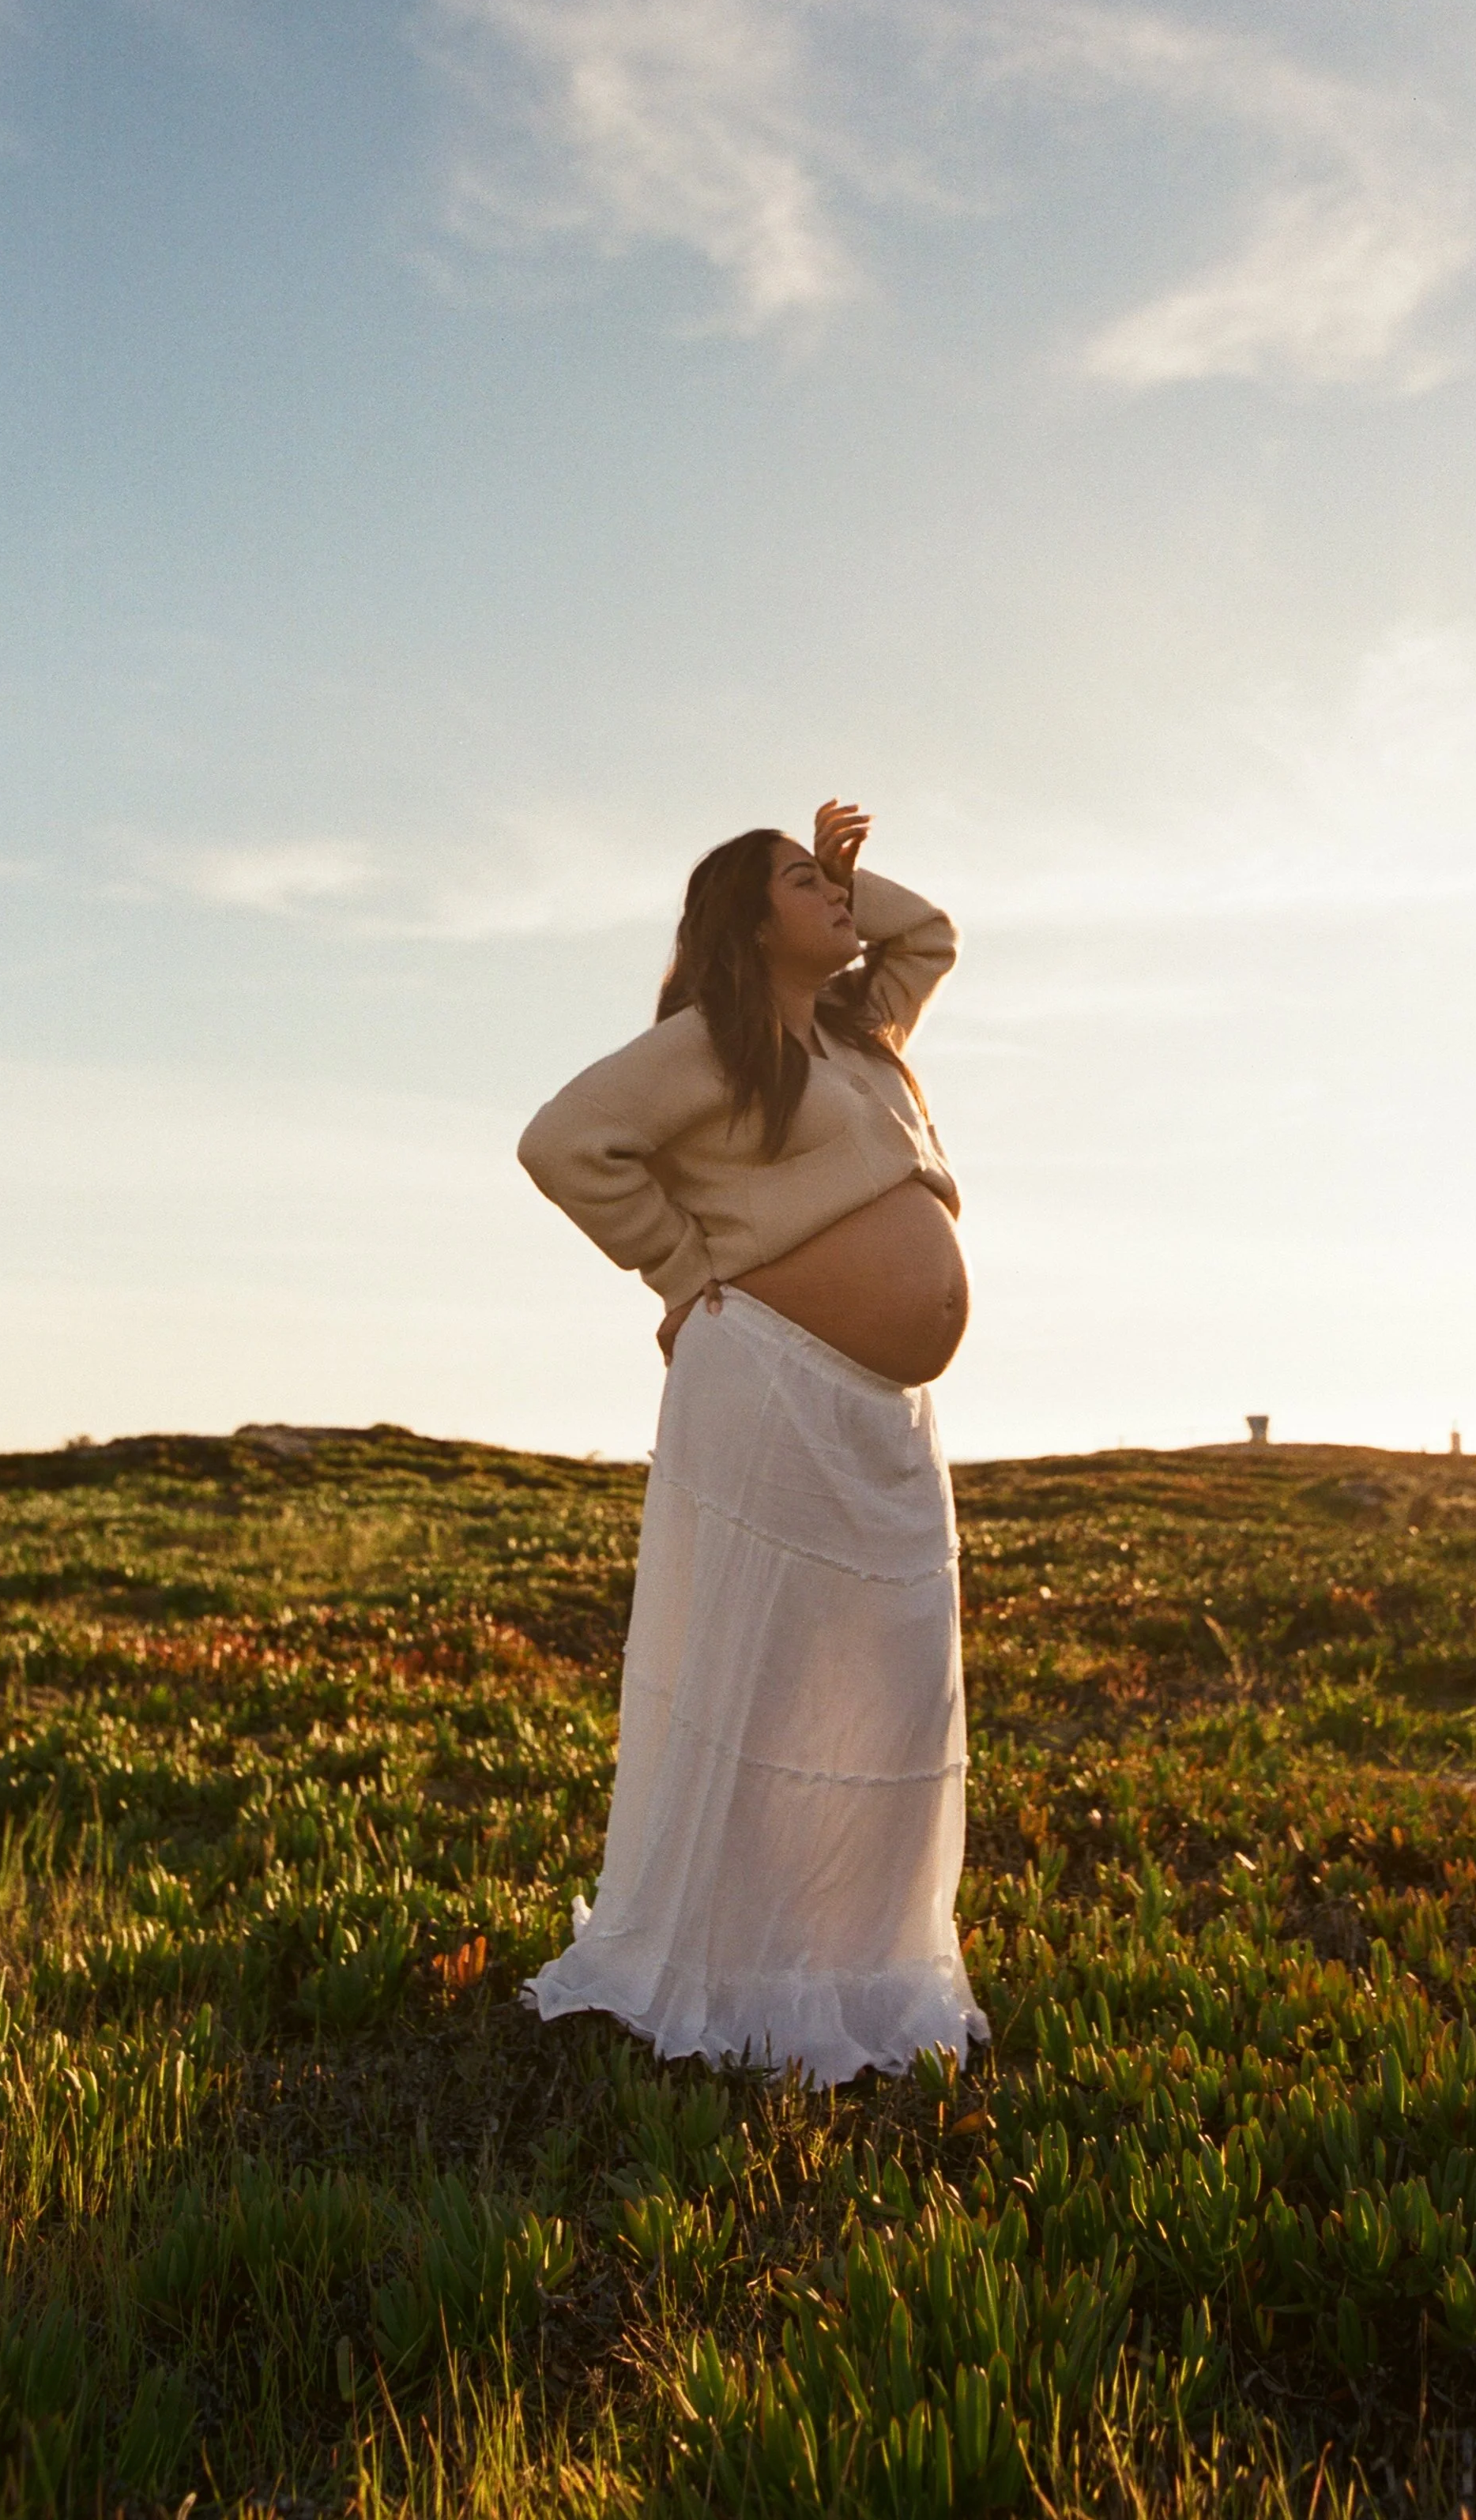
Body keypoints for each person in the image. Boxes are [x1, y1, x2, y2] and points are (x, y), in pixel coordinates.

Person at [515, 799, 988, 2086]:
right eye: (800, 880)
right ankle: (738, 1976)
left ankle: (851, 1969)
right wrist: (688, 1268)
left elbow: (929, 936)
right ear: (744, 917)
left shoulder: (859, 1034)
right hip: (775, 1389)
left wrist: (843, 876)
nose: (835, 898)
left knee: (883, 1694)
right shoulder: (710, 1046)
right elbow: (563, 1143)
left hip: (882, 1422)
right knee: (766, 1683)